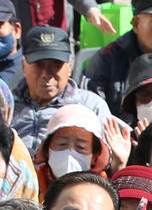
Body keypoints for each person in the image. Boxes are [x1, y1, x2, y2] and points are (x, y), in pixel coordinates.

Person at [9, 26, 113, 155]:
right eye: (38, 65)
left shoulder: (90, 106)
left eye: (56, 65)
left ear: (69, 67)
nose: (46, 74)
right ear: (24, 66)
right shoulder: (6, 105)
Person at [34, 103, 116, 192]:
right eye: (62, 144)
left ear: (94, 156)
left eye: (80, 147)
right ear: (47, 151)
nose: (70, 153)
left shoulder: (105, 193)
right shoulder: (31, 184)